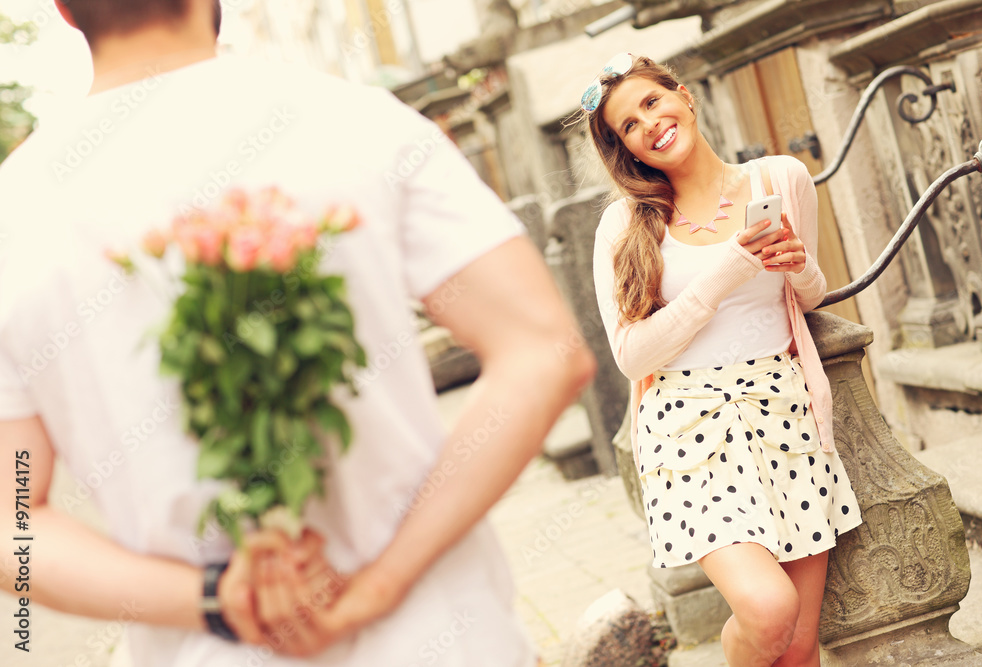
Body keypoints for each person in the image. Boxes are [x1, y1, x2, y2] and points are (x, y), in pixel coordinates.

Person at [0, 1, 596, 665]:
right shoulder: (354, 121)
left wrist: (218, 599)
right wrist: (380, 582)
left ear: (62, 9)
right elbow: (545, 353)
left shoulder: (14, 212)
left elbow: (12, 530)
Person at [585, 53, 862, 666]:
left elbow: (810, 294)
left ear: (683, 95)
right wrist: (730, 266)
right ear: (626, 150)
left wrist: (799, 265)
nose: (648, 125)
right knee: (767, 612)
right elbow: (633, 356)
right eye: (628, 126)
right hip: (689, 430)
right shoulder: (625, 227)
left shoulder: (780, 178)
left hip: (784, 413)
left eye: (651, 103)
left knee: (796, 650)